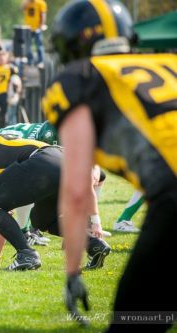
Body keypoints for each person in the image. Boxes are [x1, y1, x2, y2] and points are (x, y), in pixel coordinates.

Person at [42, 1, 177, 330]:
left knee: (136, 318)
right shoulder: (169, 63)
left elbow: (76, 190)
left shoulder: (81, 78)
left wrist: (72, 272)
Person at [0, 133, 111, 270]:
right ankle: (94, 245)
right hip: (63, 159)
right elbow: (1, 215)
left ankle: (27, 254)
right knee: (43, 220)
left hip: (43, 159)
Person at [21, 0, 47, 67]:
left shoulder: (41, 3)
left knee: (39, 45)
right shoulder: (27, 2)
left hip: (37, 28)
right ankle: (30, 60)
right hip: (28, 27)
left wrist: (41, 25)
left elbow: (43, 14)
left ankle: (41, 61)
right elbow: (22, 8)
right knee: (28, 45)